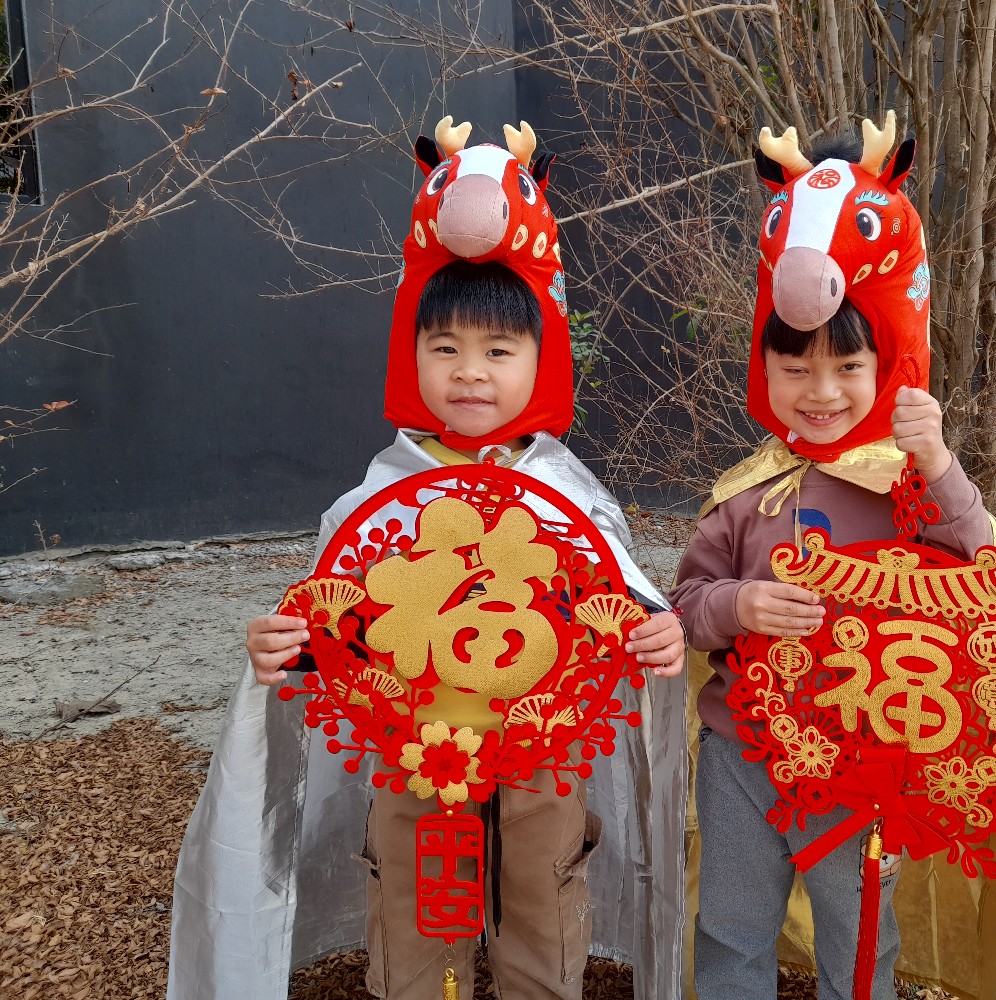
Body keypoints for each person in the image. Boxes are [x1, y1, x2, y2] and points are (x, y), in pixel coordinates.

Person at [168, 118, 689, 1000]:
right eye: (444, 348)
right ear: (410, 354)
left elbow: (617, 607)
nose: (470, 373)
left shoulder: (567, 494)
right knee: (414, 908)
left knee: (542, 898)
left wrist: (656, 634)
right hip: (416, 750)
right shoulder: (379, 496)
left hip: (537, 752)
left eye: (498, 351)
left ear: (542, 358)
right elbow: (337, 624)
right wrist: (286, 649)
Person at [671, 121, 996, 1000]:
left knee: (858, 942)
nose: (820, 393)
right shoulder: (747, 490)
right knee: (730, 930)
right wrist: (737, 606)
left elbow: (985, 576)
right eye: (794, 369)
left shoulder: (908, 486)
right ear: (764, 370)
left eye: (847, 366)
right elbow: (686, 604)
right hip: (741, 751)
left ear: (884, 365)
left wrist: (938, 463)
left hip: (864, 760)